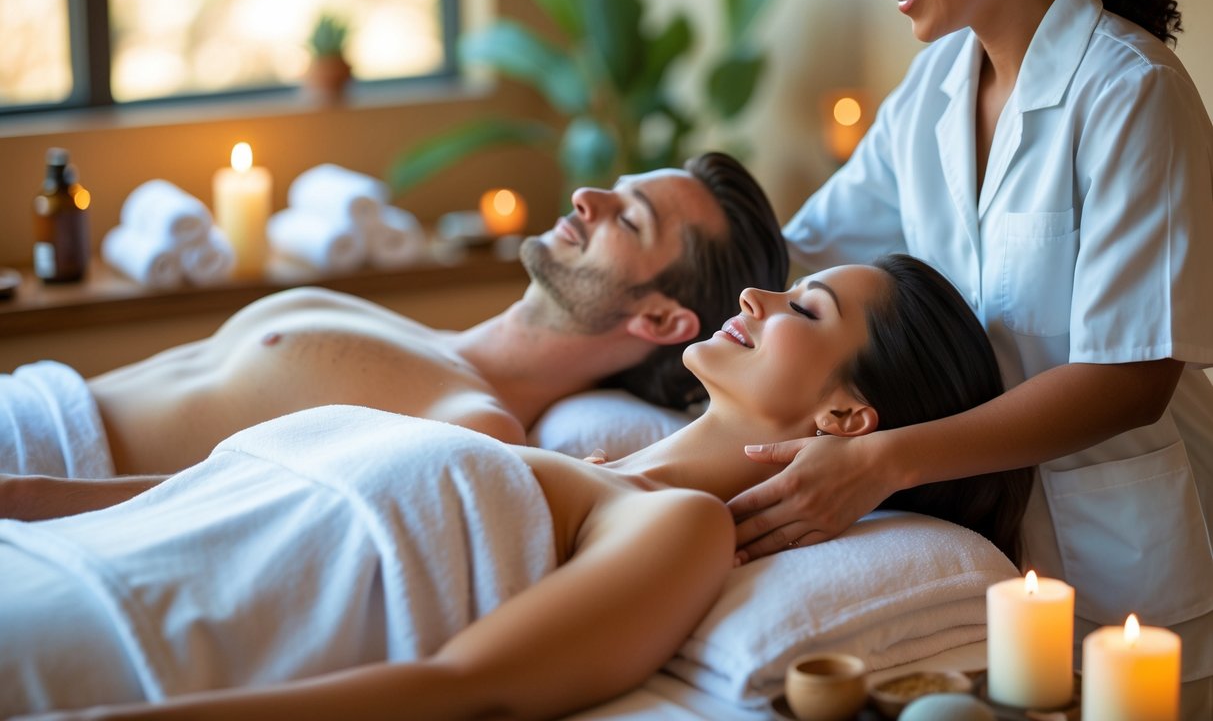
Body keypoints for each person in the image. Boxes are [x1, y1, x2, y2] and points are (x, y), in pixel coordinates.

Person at [0, 255, 1033, 719]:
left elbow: (469, 690)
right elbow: (213, 490)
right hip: (51, 557)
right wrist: (26, 499)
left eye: (803, 308)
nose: (757, 295)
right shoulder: (582, 459)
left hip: (106, 633)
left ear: (844, 421)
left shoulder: (673, 527)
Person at [727, 0, 1213, 716]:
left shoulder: (1131, 90)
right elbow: (805, 248)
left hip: (1125, 562)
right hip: (984, 552)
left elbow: (1132, 376)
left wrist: (881, 462)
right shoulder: (934, 89)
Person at [0, 152, 788, 486]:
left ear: (658, 320)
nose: (588, 197)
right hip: (28, 402)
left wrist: (26, 504)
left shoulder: (470, 426)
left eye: (631, 218)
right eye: (613, 187)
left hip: (43, 475)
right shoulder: (427, 341)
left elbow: (219, 511)